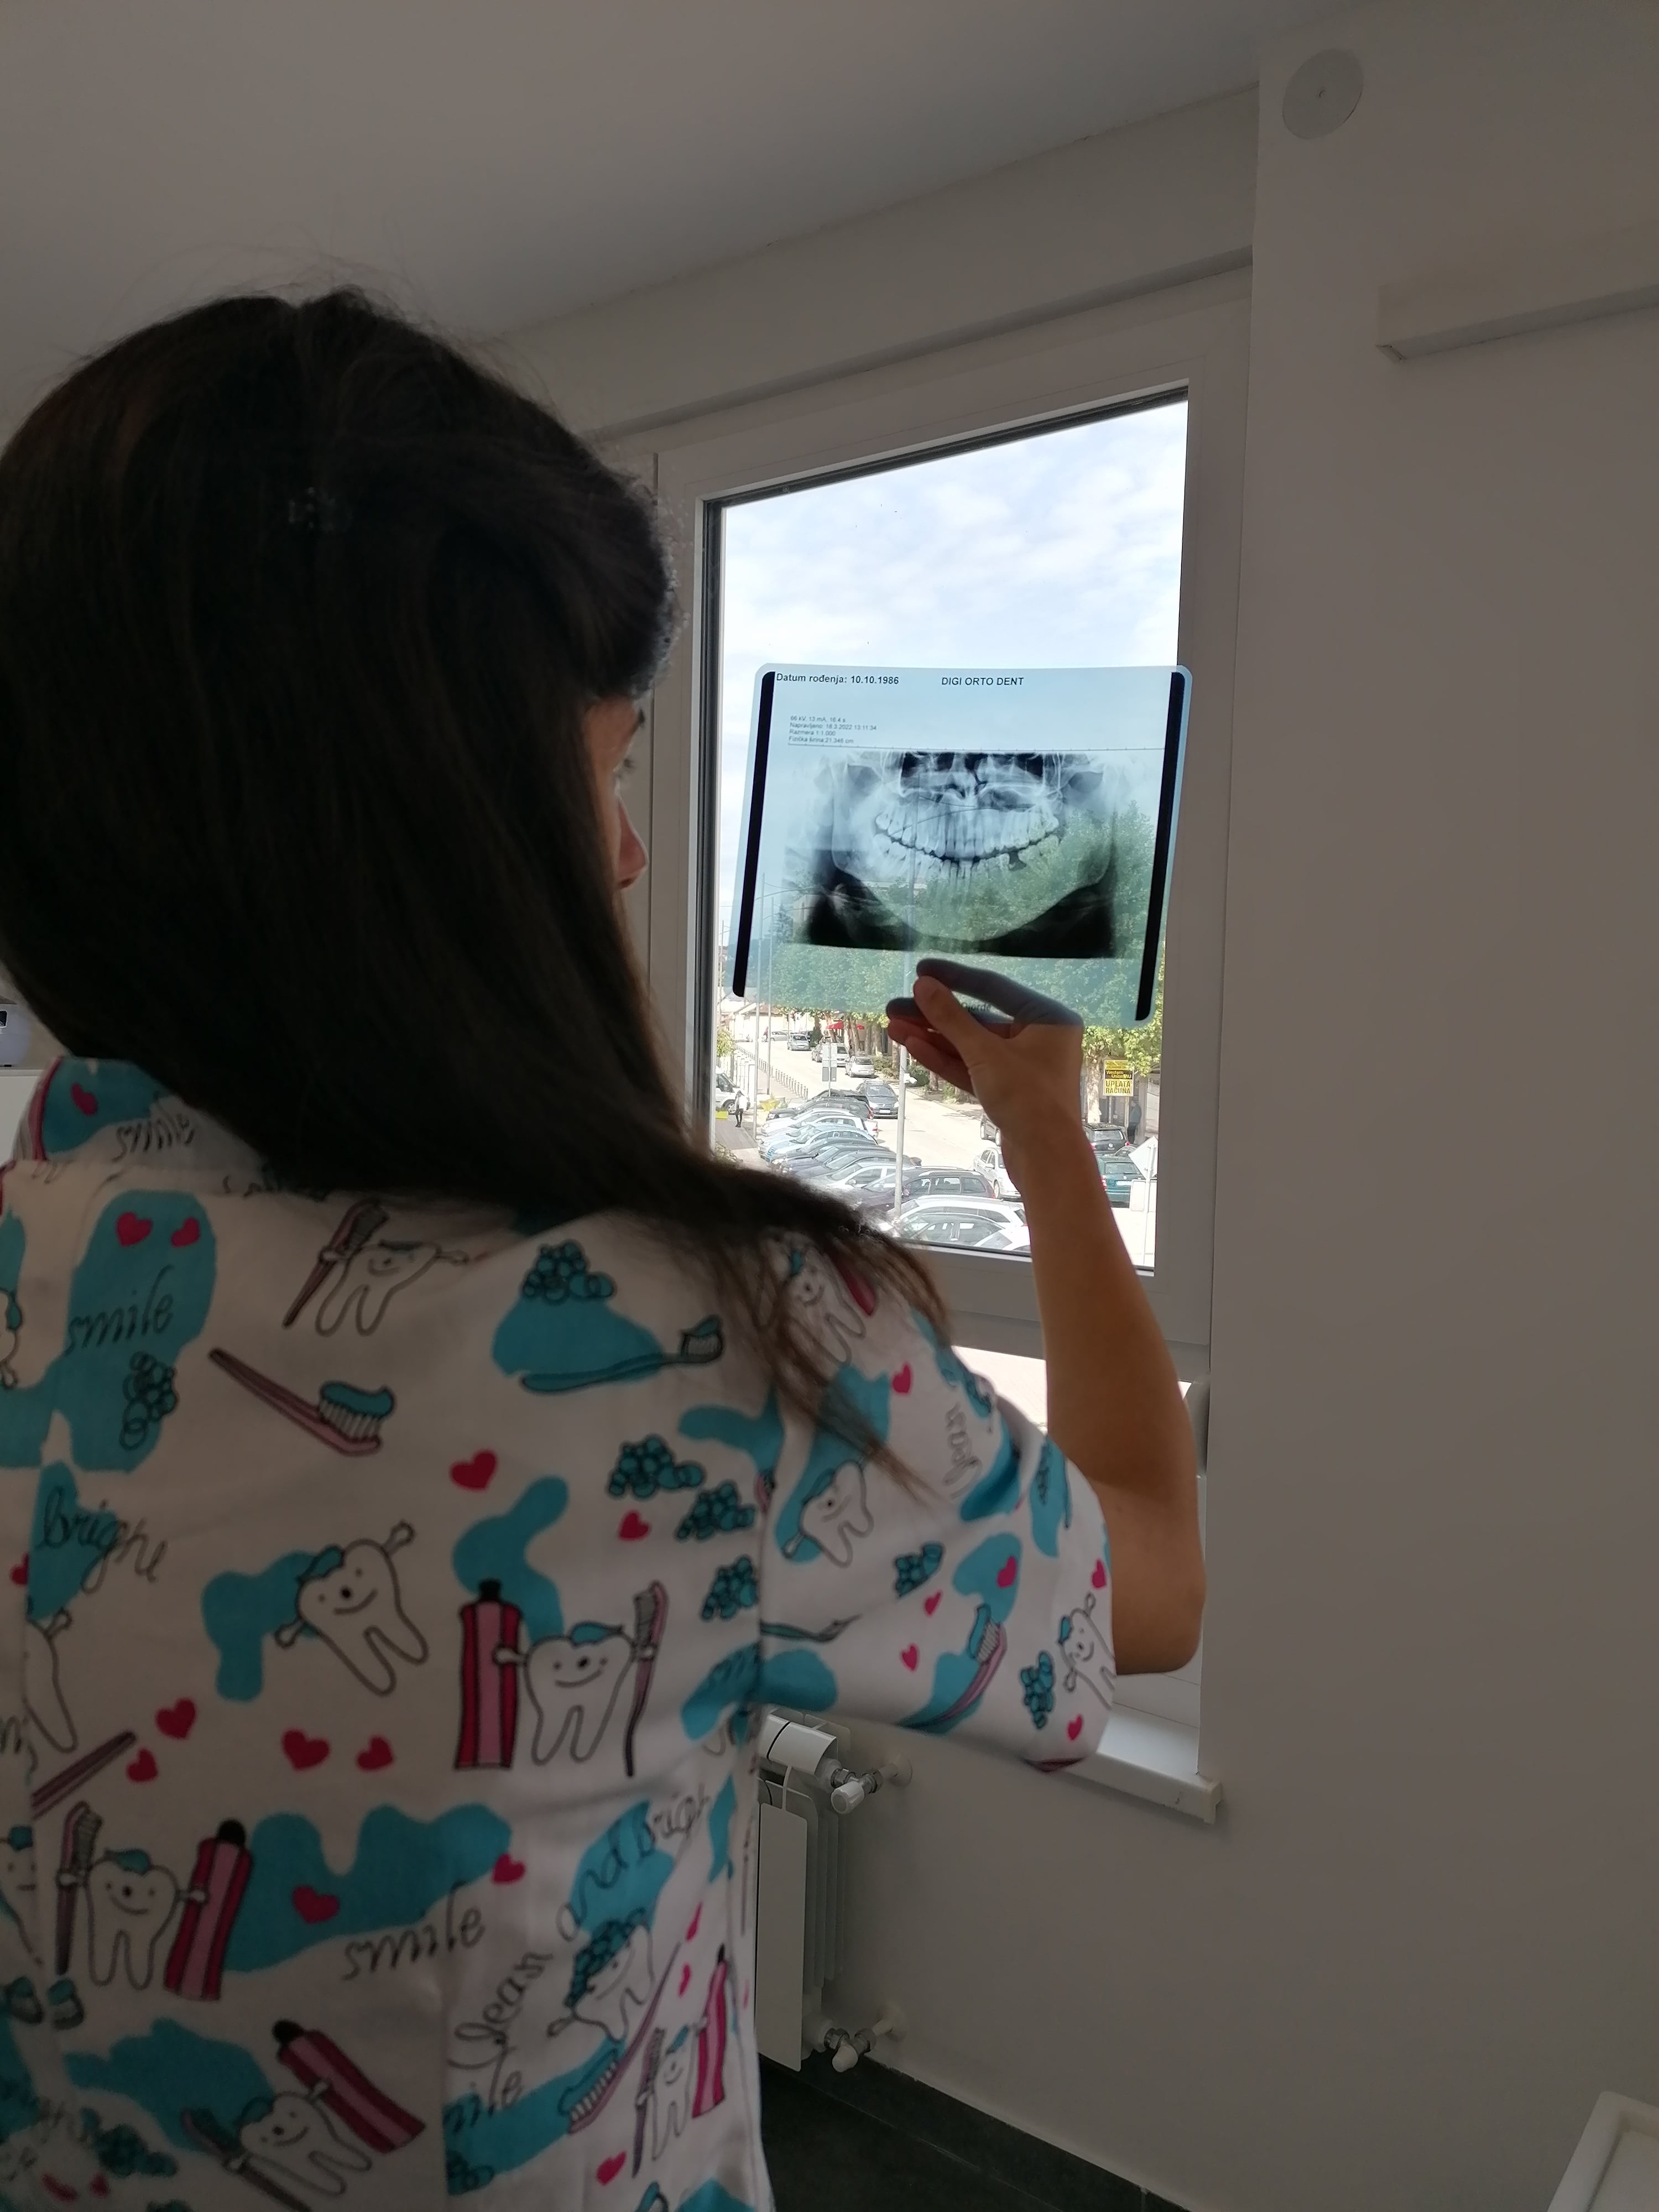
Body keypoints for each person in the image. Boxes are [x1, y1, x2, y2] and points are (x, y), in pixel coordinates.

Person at [0, 291, 1201, 2212]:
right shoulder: (696, 1340)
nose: (628, 856)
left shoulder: (40, 1231)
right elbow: (1153, 1575)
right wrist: (1050, 1132)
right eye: (611, 773)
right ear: (452, 822)